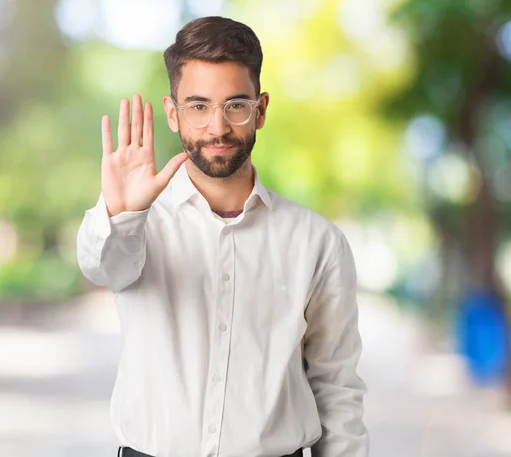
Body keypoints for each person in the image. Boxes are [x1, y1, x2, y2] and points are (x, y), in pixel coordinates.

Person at [77, 16, 369, 457]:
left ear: (261, 109)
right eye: (198, 106)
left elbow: (336, 387)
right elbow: (103, 268)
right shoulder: (139, 222)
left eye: (235, 105)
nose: (217, 127)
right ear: (172, 114)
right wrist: (124, 213)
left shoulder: (317, 242)